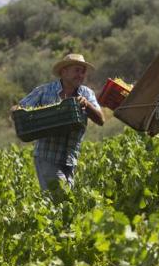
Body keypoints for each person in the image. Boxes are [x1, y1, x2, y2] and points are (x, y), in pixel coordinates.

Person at [14, 53, 104, 192]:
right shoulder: (44, 91)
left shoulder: (87, 93)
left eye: (83, 71)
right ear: (64, 72)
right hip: (47, 156)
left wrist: (86, 104)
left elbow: (100, 119)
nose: (80, 75)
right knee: (60, 196)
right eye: (77, 70)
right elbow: (19, 109)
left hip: (70, 158)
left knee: (64, 204)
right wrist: (18, 111)